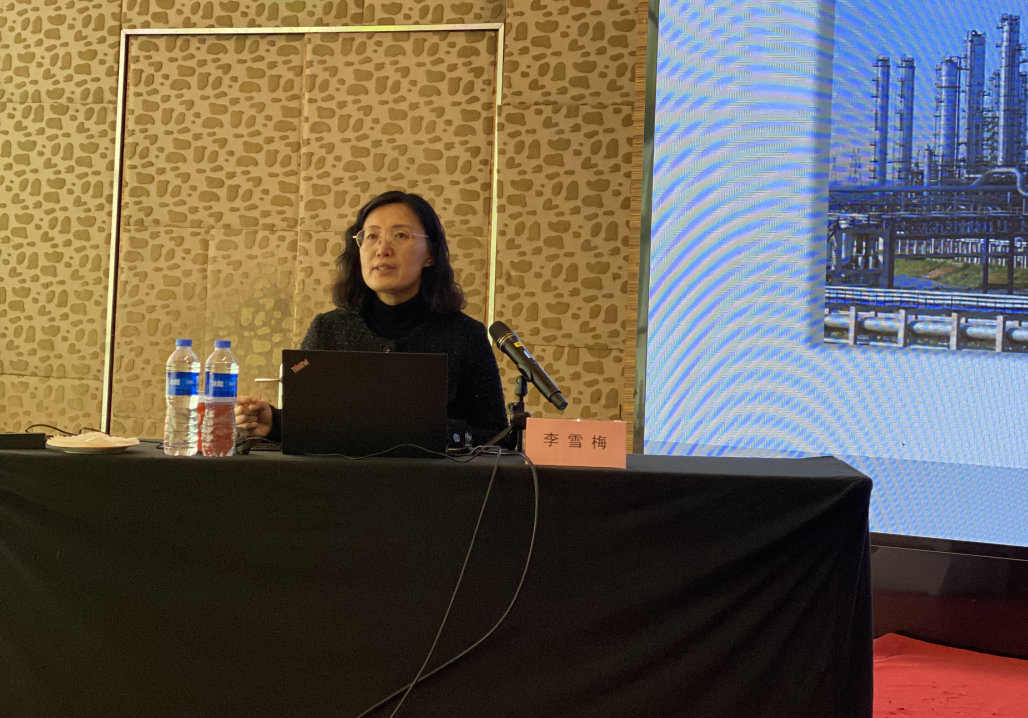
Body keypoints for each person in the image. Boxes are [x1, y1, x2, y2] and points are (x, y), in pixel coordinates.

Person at [235, 190, 510, 448]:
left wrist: (430, 429)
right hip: (340, 480)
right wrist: (275, 422)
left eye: (400, 235)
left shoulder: (466, 335)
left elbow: (497, 435)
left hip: (433, 482)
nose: (382, 249)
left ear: (430, 254)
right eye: (371, 236)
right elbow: (310, 422)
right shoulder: (328, 329)